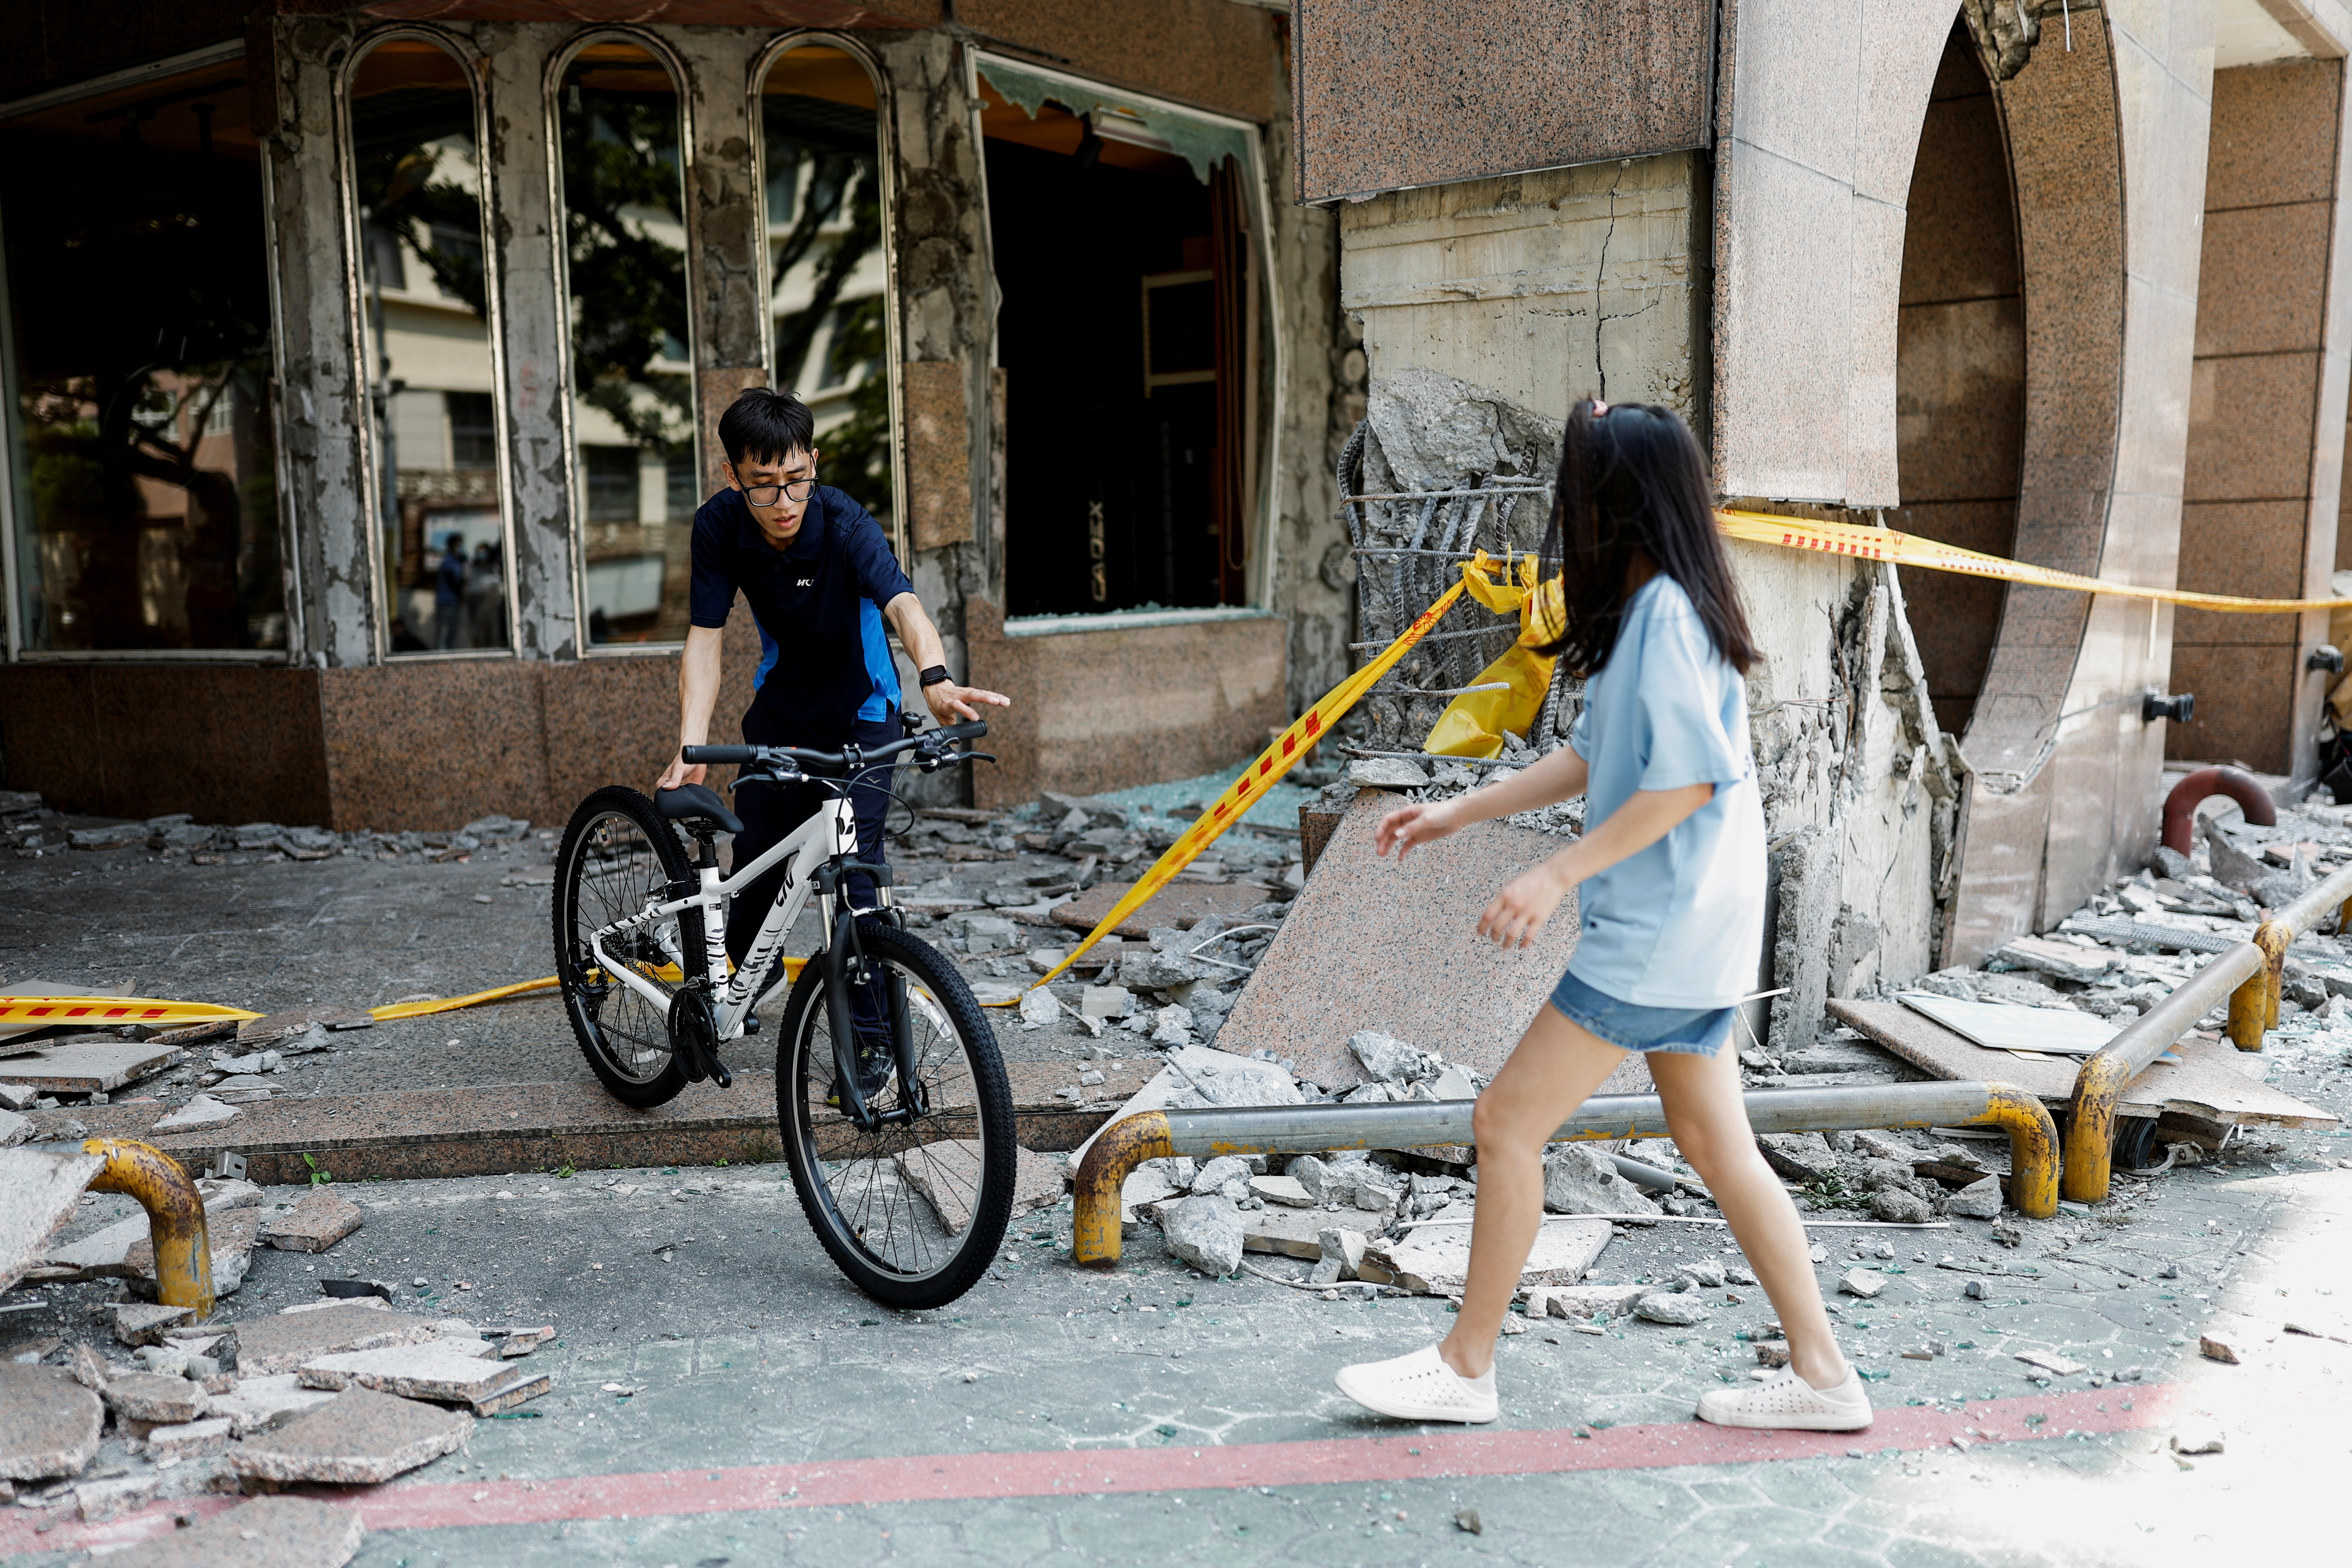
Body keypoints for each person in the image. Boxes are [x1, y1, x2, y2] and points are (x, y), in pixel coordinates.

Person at [1333, 399, 1869, 1433]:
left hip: (1657, 933)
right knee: (1717, 1147)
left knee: (1504, 1121)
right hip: (1691, 931)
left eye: (1577, 484)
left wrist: (1555, 875)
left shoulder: (1665, 616)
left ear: (1614, 502)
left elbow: (1683, 785)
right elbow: (1594, 758)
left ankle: (1464, 1363)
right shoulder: (1655, 610)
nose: (1560, 502)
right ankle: (1822, 1372)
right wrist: (1456, 812)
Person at [657, 387, 1008, 1054]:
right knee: (757, 859)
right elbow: (706, 637)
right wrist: (691, 740)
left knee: (857, 876)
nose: (785, 503)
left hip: (864, 717)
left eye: (797, 480)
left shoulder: (846, 523)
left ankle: (874, 1043)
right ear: (732, 476)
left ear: (813, 461)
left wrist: (933, 679)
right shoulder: (719, 527)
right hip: (782, 713)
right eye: (763, 486)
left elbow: (903, 604)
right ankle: (743, 977)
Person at [434, 532, 467, 650]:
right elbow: (453, 580)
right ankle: (440, 657)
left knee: (452, 633)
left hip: (453, 602)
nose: (461, 547)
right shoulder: (449, 560)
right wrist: (461, 594)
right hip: (446, 602)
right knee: (444, 633)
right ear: (453, 545)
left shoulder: (457, 561)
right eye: (459, 544)